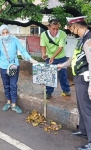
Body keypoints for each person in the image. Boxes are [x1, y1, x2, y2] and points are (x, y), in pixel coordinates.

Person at [57, 16, 91, 150]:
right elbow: (74, 58)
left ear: (76, 26)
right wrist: (62, 65)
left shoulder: (89, 40)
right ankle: (83, 130)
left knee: (87, 109)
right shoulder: (81, 39)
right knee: (82, 107)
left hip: (85, 79)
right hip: (79, 78)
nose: (71, 30)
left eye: (71, 27)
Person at [0, 24, 38, 114]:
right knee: (6, 85)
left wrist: (30, 59)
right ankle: (8, 102)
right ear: (1, 33)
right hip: (3, 66)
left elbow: (22, 50)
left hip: (14, 66)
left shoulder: (15, 40)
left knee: (13, 85)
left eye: (7, 32)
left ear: (9, 32)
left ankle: (14, 104)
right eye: (3, 33)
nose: (5, 34)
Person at [40, 18, 71, 99]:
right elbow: (43, 46)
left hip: (61, 57)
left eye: (57, 28)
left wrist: (53, 57)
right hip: (49, 58)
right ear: (48, 27)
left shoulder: (63, 34)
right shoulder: (43, 35)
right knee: (49, 75)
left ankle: (66, 90)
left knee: (63, 74)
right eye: (53, 29)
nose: (55, 31)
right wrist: (44, 54)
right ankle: (49, 92)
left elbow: (60, 47)